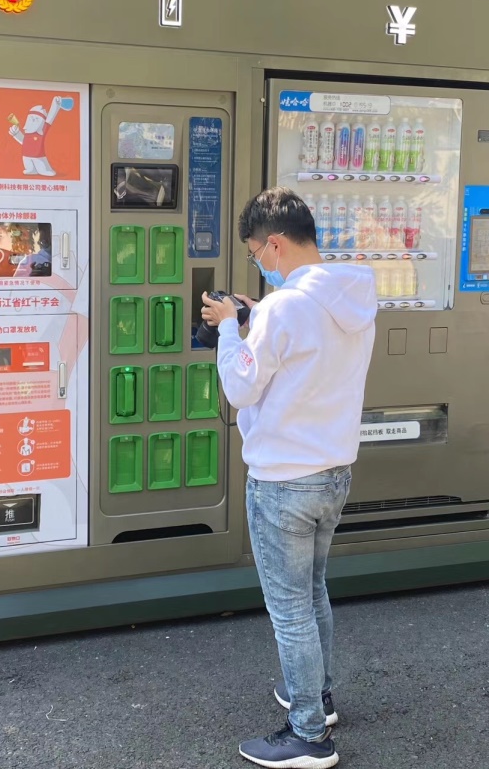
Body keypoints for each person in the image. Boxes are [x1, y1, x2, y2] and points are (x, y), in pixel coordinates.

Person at [202, 187, 377, 769]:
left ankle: (308, 734)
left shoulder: (283, 309)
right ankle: (318, 697)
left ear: (274, 243)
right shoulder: (351, 296)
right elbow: (306, 346)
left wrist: (231, 328)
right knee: (314, 591)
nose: (258, 261)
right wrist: (256, 316)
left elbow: (240, 387)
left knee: (290, 610)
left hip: (283, 483)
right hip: (333, 474)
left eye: (256, 251)